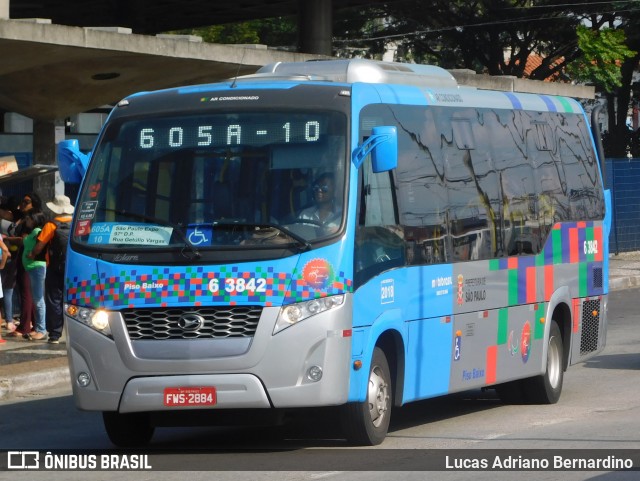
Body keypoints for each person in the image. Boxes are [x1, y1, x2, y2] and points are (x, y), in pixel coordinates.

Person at [29, 194, 74, 344]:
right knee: (73, 300)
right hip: (74, 268)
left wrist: (32, 254)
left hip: (55, 267)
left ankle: (55, 335)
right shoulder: (77, 224)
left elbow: (39, 246)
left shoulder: (51, 225)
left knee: (54, 299)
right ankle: (76, 332)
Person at [5, 192, 42, 339]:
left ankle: (25, 326)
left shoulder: (34, 220)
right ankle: (31, 324)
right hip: (22, 259)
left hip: (30, 260)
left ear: (34, 203)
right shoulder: (22, 218)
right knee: (27, 292)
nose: (23, 204)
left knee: (27, 293)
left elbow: (25, 240)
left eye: (27, 201)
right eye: (23, 201)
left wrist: (7, 239)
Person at [23, 210, 48, 341]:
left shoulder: (38, 231)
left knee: (38, 300)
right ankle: (39, 328)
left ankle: (42, 329)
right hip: (33, 268)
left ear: (35, 220)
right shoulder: (35, 231)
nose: (27, 221)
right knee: (36, 299)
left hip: (36, 268)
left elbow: (41, 246)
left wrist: (32, 254)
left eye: (29, 218)